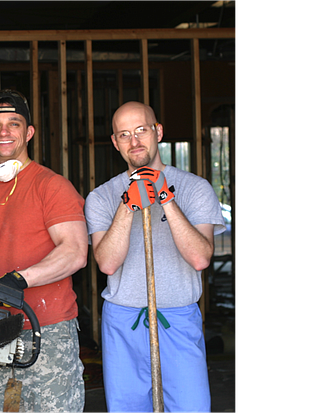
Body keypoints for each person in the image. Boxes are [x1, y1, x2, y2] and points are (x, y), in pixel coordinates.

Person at [0, 89, 89, 412]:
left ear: (29, 132)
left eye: (14, 123)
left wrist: (19, 279)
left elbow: (75, 251)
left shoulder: (51, 186)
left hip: (49, 331)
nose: (4, 132)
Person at [84, 101, 226, 412]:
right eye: (124, 134)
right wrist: (127, 204)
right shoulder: (102, 197)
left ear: (158, 131)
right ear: (115, 142)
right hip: (124, 320)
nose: (134, 141)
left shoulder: (195, 188)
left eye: (141, 130)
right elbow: (107, 263)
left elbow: (200, 258)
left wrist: (166, 198)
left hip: (177, 315)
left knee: (192, 407)